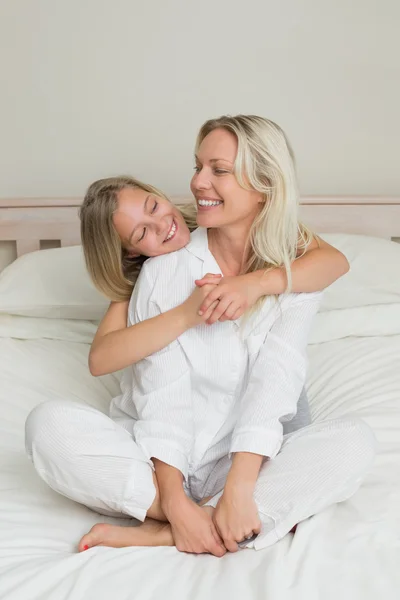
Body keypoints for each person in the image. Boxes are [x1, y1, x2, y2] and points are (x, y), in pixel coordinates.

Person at [25, 115, 375, 557]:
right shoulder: (162, 269)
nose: (197, 183)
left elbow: (276, 379)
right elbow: (163, 395)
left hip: (248, 458)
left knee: (355, 443)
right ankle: (196, 520)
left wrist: (239, 487)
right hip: (164, 463)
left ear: (264, 181)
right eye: (197, 167)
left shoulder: (293, 266)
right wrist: (173, 498)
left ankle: (180, 528)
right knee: (48, 427)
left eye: (218, 170)